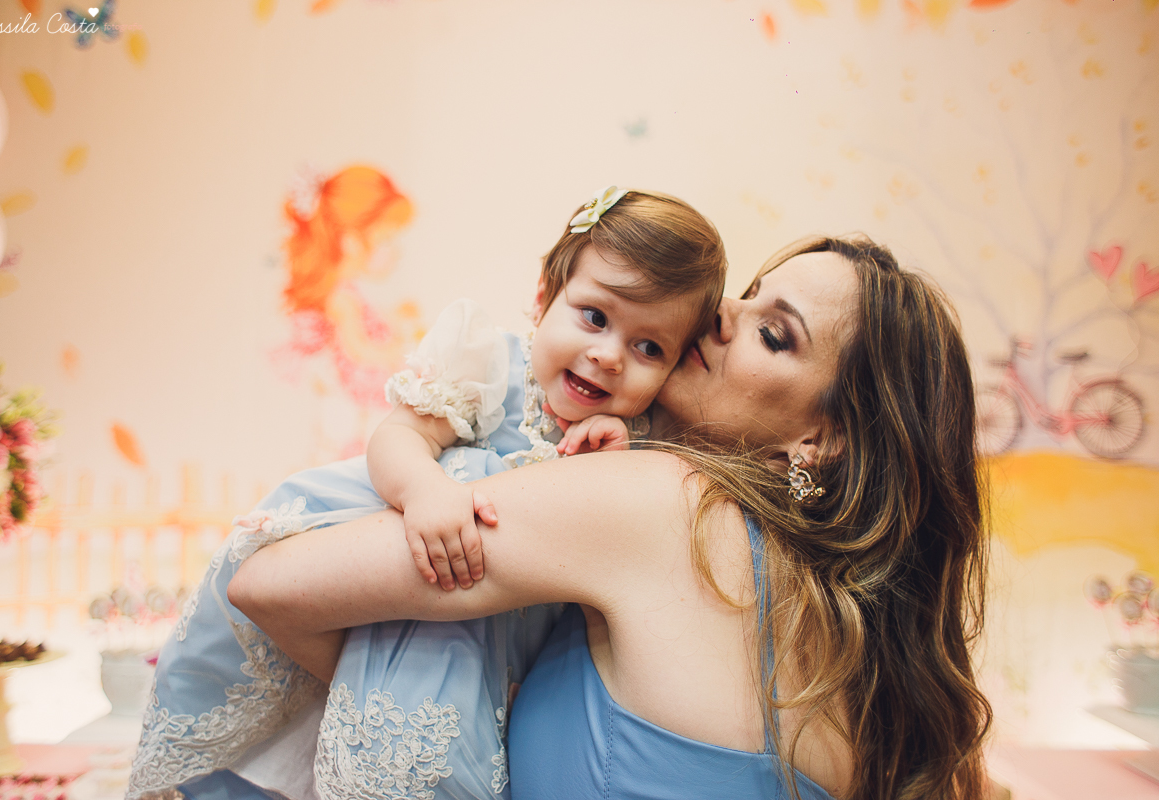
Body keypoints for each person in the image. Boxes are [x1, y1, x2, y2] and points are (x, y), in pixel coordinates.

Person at [231, 234, 993, 800]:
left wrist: (432, 708)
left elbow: (271, 583)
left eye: (774, 332)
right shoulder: (876, 672)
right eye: (750, 292)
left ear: (820, 442)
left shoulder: (669, 505)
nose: (723, 312)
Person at [125, 187, 727, 800]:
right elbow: (397, 438)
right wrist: (424, 488)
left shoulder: (637, 442)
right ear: (545, 296)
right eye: (595, 317)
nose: (608, 356)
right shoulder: (490, 365)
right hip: (403, 576)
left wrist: (610, 461)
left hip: (493, 646)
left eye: (648, 347)